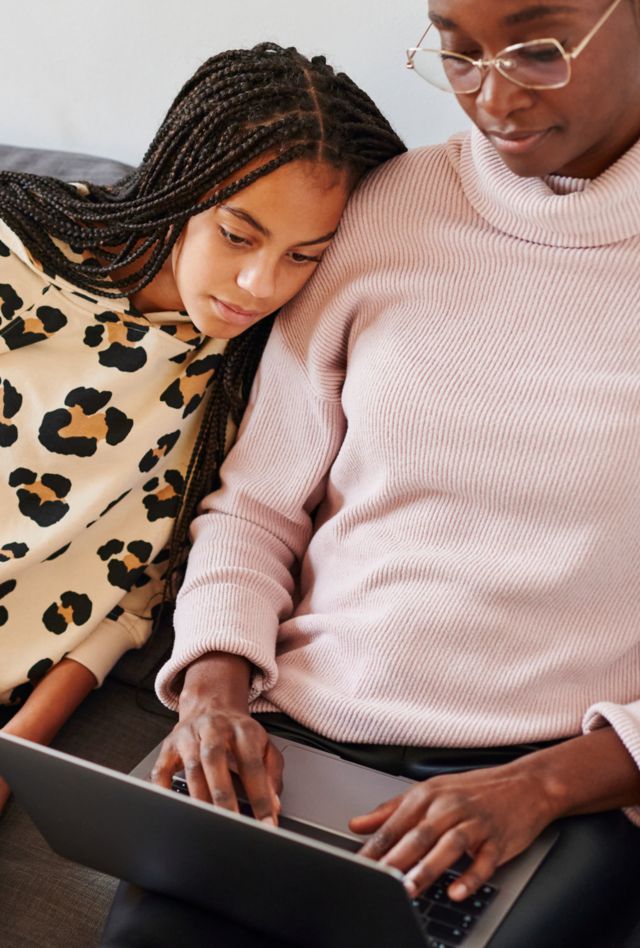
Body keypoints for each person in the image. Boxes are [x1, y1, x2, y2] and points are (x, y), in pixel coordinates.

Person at [101, 2, 640, 946]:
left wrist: (546, 783)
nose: (495, 96)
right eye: (459, 51)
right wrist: (214, 694)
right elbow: (258, 506)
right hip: (298, 737)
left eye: (539, 49)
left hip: (556, 777)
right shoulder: (386, 205)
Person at [0, 42, 406, 817]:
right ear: (178, 189)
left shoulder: (249, 386)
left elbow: (128, 602)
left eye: (303, 256)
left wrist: (17, 753)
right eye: (239, 235)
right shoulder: (17, 254)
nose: (261, 286)